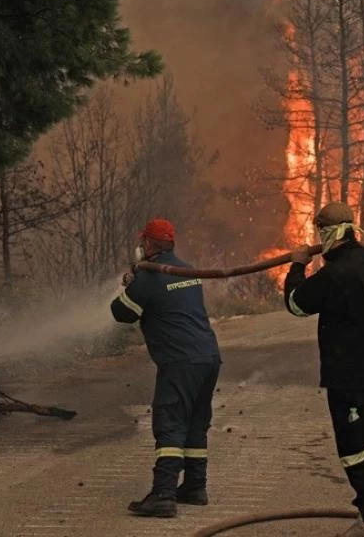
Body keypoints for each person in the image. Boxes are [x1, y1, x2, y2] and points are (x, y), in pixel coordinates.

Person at [284, 202, 364, 536]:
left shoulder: (335, 275)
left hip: (347, 374)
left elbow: (295, 303)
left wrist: (296, 267)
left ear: (325, 233)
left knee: (353, 449)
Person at [110, 218, 222, 518]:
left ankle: (163, 495)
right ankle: (195, 487)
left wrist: (132, 285)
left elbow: (121, 313)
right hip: (208, 358)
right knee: (196, 421)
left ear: (147, 244)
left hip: (180, 362)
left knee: (171, 423)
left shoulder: (149, 279)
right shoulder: (188, 271)